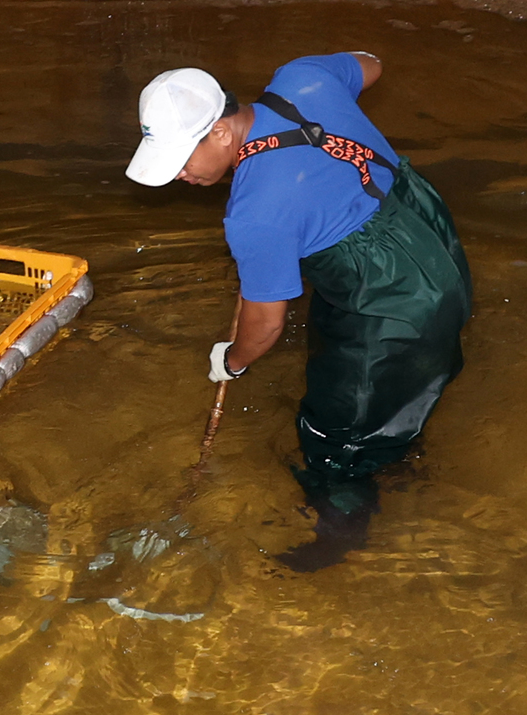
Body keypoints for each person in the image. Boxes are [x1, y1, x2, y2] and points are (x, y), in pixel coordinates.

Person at [126, 53, 472, 570]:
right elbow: (373, 64)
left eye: (181, 158)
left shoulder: (255, 214)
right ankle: (401, 459)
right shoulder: (301, 78)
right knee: (369, 365)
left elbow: (264, 328)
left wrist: (233, 360)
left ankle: (338, 537)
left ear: (221, 131)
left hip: (391, 295)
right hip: (427, 241)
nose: (178, 175)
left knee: (336, 436)